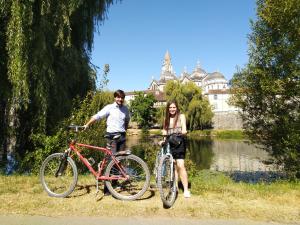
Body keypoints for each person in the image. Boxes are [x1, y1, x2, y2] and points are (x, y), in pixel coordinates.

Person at [83, 89, 130, 154]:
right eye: (118, 97)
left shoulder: (125, 109)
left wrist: (125, 130)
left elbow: (127, 120)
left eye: (122, 98)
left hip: (122, 135)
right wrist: (87, 124)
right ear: (115, 98)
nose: (120, 99)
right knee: (112, 158)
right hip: (112, 135)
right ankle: (109, 163)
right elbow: (98, 116)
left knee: (120, 158)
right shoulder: (109, 107)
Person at [162, 100, 191, 198]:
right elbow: (165, 131)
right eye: (170, 107)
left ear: (177, 108)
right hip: (170, 144)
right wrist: (163, 139)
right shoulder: (166, 118)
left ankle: (186, 189)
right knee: (174, 166)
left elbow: (184, 129)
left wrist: (184, 131)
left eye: (174, 107)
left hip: (179, 142)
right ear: (168, 109)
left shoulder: (181, 116)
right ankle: (176, 189)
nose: (172, 109)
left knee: (181, 165)